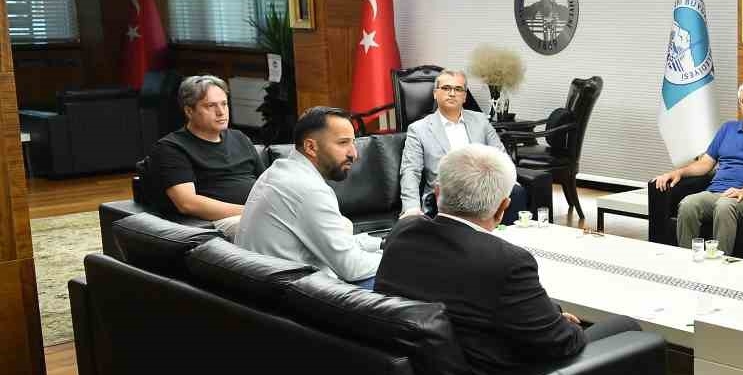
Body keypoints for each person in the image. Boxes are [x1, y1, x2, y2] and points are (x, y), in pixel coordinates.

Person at [377, 145, 635, 375]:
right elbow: (562, 344)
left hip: (416, 374)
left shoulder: (402, 233)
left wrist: (550, 315)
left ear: (437, 192)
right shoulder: (506, 262)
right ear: (503, 207)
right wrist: (562, 326)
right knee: (626, 326)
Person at [237, 106, 384, 288]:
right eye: (343, 143)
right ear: (311, 147)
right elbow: (352, 267)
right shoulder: (308, 190)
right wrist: (401, 258)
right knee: (407, 275)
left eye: (353, 142)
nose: (354, 153)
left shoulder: (276, 173)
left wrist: (381, 244)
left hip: (269, 288)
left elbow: (334, 244)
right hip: (296, 296)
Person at [653, 78, 743, 254]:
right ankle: (687, 260)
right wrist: (679, 172)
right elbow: (705, 164)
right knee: (689, 204)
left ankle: (719, 262)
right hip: (716, 193)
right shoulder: (728, 129)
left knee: (725, 206)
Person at [399, 69, 529, 219]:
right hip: (445, 194)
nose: (452, 93)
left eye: (458, 89)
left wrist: (510, 182)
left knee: (516, 193)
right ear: (435, 93)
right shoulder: (418, 129)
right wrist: (411, 207)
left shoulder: (480, 121)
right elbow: (410, 171)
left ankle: (506, 234)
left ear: (465, 96)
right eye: (446, 88)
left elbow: (501, 156)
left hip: (482, 188)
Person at [145, 74, 263, 238]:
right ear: (189, 111)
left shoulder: (239, 138)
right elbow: (187, 203)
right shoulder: (171, 148)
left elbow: (267, 183)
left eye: (224, 104)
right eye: (210, 106)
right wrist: (252, 212)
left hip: (260, 213)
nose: (221, 112)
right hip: (225, 220)